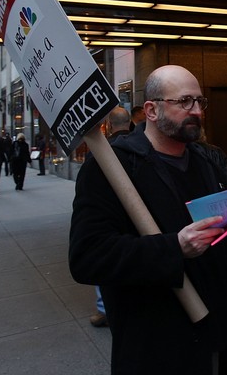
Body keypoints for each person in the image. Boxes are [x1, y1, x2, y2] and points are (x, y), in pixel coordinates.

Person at [69, 65, 227, 375]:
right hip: (159, 345)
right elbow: (88, 256)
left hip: (220, 332)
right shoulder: (113, 168)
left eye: (200, 102)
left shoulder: (209, 160)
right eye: (184, 101)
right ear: (151, 109)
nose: (197, 111)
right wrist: (174, 247)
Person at [89, 105, 132, 329]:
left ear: (110, 126)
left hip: (112, 217)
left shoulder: (103, 151)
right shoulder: (141, 148)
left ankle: (104, 308)